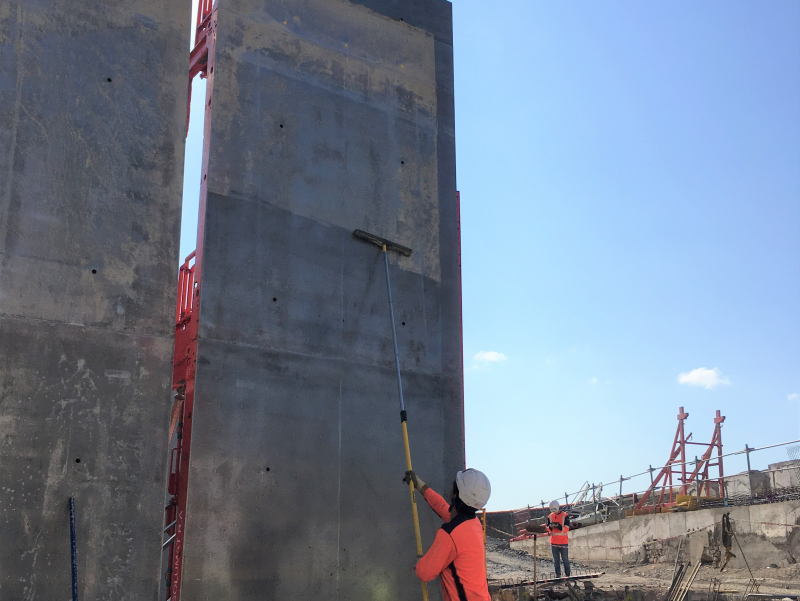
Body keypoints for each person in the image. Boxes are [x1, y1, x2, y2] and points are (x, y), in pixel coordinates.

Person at [403, 468, 492, 601]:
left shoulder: (450, 535)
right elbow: (443, 508)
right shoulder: (473, 524)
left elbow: (424, 572)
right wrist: (420, 485)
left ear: (455, 494)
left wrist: (420, 562)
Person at [546, 500, 571, 578]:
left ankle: (567, 575)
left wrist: (559, 526)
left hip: (563, 542)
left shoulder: (565, 515)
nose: (554, 512)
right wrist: (551, 527)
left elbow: (567, 528)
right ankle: (558, 575)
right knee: (556, 561)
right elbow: (548, 528)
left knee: (565, 560)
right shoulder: (550, 516)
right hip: (554, 542)